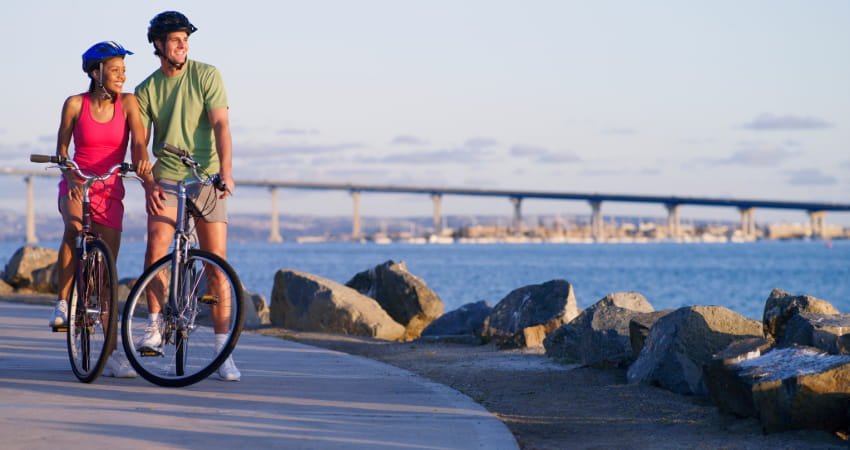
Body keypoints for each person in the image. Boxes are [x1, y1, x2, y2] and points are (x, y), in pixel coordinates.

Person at [134, 11, 240, 381]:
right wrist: (147, 182)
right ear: (159, 45)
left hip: (204, 175)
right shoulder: (146, 90)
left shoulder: (207, 74)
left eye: (185, 40)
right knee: (156, 246)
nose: (183, 46)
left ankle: (221, 350)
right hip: (166, 177)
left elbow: (221, 123)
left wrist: (225, 170)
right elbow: (139, 145)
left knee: (216, 262)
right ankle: (153, 326)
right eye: (176, 40)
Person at [50, 41, 152, 378]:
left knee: (107, 273)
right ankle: (64, 303)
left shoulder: (131, 103)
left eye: (124, 70)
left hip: (111, 186)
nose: (122, 75)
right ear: (97, 73)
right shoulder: (74, 104)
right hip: (77, 180)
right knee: (73, 227)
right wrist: (69, 174)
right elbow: (63, 150)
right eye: (115, 70)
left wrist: (140, 159)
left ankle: (110, 353)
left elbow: (138, 140)